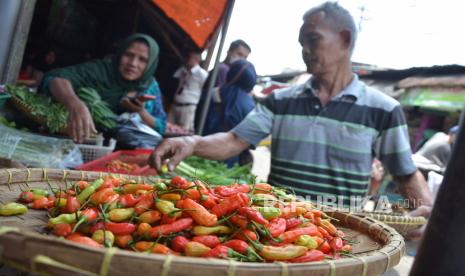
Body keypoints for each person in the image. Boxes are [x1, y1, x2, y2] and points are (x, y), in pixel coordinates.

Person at [149, 2, 432, 210]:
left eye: (313, 39)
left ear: (344, 39)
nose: (305, 50)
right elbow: (233, 140)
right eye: (301, 43)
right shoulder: (280, 101)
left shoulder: (383, 109)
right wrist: (193, 142)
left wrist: (423, 210)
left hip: (341, 240)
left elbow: (405, 173)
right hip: (278, 229)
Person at [39, 33, 166, 143]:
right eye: (128, 55)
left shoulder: (150, 86)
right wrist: (74, 103)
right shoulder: (101, 71)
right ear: (120, 53)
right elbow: (56, 77)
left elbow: (161, 126)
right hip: (82, 141)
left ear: (151, 64)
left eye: (142, 60)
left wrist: (141, 112)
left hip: (127, 155)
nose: (133, 63)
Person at [203, 59, 257, 166]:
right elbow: (251, 140)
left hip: (203, 149)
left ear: (231, 72)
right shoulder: (251, 105)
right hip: (229, 158)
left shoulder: (213, 92)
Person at [195, 39, 251, 132]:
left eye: (245, 57)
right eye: (239, 54)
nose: (242, 59)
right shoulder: (223, 69)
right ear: (229, 51)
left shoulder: (229, 71)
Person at [168, 50, 208, 132]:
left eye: (189, 57)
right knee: (168, 129)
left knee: (183, 133)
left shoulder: (202, 74)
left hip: (188, 107)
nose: (186, 59)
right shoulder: (182, 70)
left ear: (196, 59)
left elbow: (205, 88)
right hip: (175, 105)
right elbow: (174, 79)